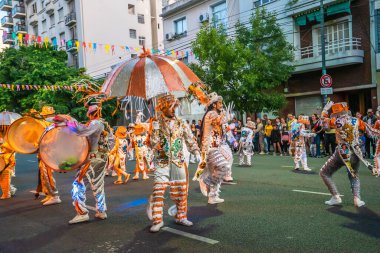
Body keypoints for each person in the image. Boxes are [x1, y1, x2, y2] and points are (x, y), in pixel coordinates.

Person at [147, 94, 201, 232]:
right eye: (171, 107)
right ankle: (157, 220)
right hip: (162, 160)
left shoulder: (181, 122)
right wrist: (155, 128)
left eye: (175, 107)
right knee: (158, 189)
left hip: (178, 160)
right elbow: (152, 143)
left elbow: (190, 138)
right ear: (164, 107)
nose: (173, 110)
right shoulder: (156, 122)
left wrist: (196, 153)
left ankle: (181, 216)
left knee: (181, 190)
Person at [319, 101, 378, 207]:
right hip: (356, 153)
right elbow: (371, 133)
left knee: (324, 173)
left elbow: (323, 123)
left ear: (337, 113)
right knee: (354, 176)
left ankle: (336, 197)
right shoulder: (357, 121)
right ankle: (357, 199)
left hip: (341, 153)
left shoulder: (335, 121)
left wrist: (324, 110)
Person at [65, 105, 109, 224]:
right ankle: (101, 211)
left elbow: (81, 131)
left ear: (90, 113)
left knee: (78, 183)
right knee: (98, 185)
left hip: (93, 159)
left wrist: (69, 121)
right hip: (101, 158)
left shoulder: (95, 123)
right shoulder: (101, 123)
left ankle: (82, 213)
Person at [197, 92, 234, 204]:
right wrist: (228, 116)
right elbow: (220, 121)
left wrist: (225, 116)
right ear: (214, 105)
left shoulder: (214, 113)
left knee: (220, 167)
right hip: (210, 148)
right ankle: (206, 181)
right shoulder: (211, 114)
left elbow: (221, 124)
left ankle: (212, 197)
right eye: (220, 103)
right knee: (223, 167)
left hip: (216, 147)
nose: (221, 105)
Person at [37, 106, 62, 206]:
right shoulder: (50, 125)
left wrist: (40, 143)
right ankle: (49, 193)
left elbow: (52, 140)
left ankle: (54, 195)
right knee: (44, 174)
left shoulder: (53, 126)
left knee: (47, 174)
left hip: (49, 153)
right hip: (45, 152)